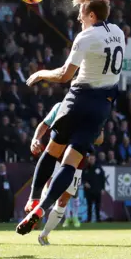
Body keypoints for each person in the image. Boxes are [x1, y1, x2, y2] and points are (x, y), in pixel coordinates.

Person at [17, 0, 122, 235]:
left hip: (79, 99)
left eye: (81, 13)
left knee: (53, 150)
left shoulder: (85, 37)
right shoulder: (118, 32)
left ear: (92, 15)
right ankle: (42, 208)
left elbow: (65, 75)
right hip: (103, 106)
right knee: (71, 163)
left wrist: (41, 74)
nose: (78, 18)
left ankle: (33, 199)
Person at [31, 102, 104, 245]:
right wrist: (35, 139)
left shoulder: (96, 110)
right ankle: (36, 213)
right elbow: (44, 124)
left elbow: (100, 139)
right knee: (49, 190)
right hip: (56, 157)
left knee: (63, 200)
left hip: (77, 161)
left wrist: (88, 133)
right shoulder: (60, 106)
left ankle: (44, 234)